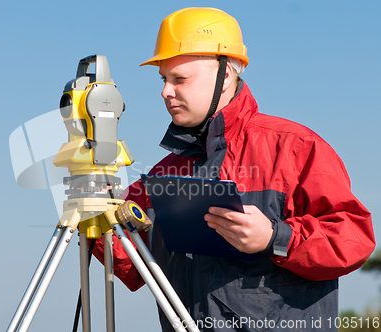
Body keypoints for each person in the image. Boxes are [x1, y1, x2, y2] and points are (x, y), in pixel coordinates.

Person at [93, 7, 375, 331]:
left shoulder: (294, 147)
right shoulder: (164, 174)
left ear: (225, 75)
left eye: (179, 79)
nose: (165, 91)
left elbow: (353, 239)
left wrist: (274, 237)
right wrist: (98, 220)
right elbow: (133, 266)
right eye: (164, 79)